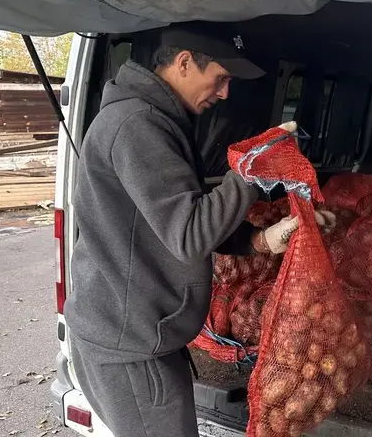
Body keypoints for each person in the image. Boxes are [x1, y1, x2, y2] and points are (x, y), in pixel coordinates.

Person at [64, 22, 335, 437]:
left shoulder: (151, 118)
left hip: (138, 333)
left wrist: (260, 238)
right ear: (184, 62)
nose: (225, 93)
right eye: (221, 78)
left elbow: (170, 220)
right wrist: (250, 169)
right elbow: (190, 235)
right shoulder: (139, 125)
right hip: (131, 346)